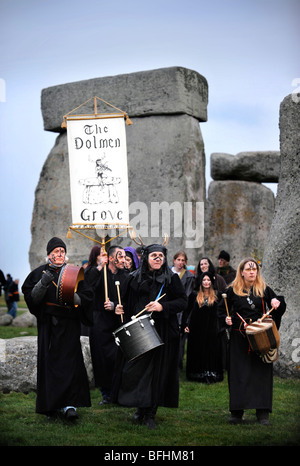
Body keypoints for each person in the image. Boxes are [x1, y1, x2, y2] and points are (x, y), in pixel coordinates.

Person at [112, 243, 187, 429]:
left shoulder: (172, 279)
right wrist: (119, 308)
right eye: (154, 256)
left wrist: (163, 307)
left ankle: (150, 413)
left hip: (162, 332)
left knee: (157, 373)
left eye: (160, 256)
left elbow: (183, 302)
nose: (158, 259)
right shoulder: (133, 278)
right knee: (138, 371)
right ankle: (140, 407)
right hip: (140, 331)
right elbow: (127, 302)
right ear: (146, 258)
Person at [22, 237, 94, 421]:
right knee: (51, 366)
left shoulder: (74, 272)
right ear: (49, 255)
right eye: (56, 252)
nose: (59, 254)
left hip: (69, 325)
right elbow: (32, 298)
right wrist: (43, 282)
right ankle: (51, 407)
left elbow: (87, 296)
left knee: (70, 365)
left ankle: (70, 406)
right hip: (49, 325)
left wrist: (76, 298)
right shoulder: (39, 273)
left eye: (62, 251)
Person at [217, 257, 286, 425]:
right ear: (241, 272)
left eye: (254, 269)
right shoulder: (232, 291)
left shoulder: (264, 289)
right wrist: (226, 320)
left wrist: (277, 302)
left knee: (260, 375)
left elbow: (278, 306)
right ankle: (237, 412)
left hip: (261, 339)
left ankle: (262, 413)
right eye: (248, 269)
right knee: (238, 375)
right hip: (239, 339)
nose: (252, 272)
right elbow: (221, 312)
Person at [87, 245, 129, 405]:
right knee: (102, 359)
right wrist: (99, 266)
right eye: (120, 256)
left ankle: (120, 392)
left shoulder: (126, 276)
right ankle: (106, 393)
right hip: (100, 323)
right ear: (110, 258)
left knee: (118, 357)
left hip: (118, 322)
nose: (123, 260)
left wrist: (116, 305)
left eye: (124, 257)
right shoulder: (98, 273)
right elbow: (87, 285)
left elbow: (130, 298)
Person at [183, 272, 223, 384]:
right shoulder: (194, 295)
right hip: (197, 328)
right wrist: (186, 325)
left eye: (208, 280)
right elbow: (187, 311)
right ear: (200, 282)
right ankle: (197, 373)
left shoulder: (217, 295)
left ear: (212, 282)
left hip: (212, 328)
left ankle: (211, 372)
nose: (206, 282)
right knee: (198, 349)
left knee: (212, 350)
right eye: (204, 280)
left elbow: (222, 312)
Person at [171, 250, 195, 368]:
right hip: (168, 307)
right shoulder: (168, 273)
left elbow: (187, 295)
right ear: (174, 260)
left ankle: (178, 363)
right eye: (178, 260)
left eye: (183, 260)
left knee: (180, 339)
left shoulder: (188, 276)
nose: (180, 262)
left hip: (181, 310)